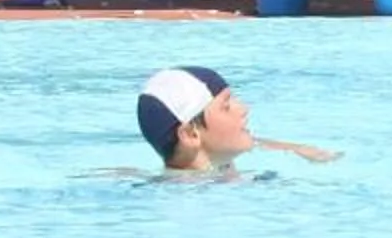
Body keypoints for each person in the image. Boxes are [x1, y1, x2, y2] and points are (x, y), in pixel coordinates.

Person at [135, 66, 340, 173]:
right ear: (190, 134)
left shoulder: (217, 165)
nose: (243, 109)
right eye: (226, 106)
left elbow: (256, 142)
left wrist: (297, 149)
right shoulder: (196, 198)